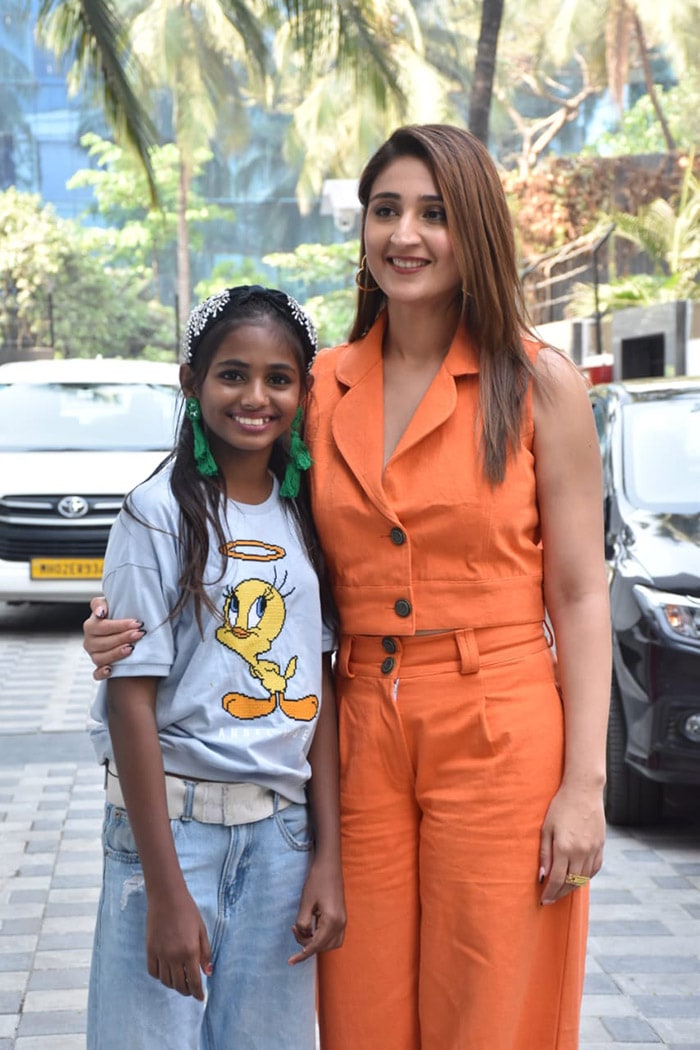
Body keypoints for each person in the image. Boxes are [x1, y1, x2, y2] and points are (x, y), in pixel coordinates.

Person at [83, 125, 610, 1050]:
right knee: (356, 1004)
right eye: (385, 210)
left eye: (435, 214)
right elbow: (226, 506)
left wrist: (585, 785)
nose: (405, 235)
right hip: (357, 722)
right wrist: (124, 617)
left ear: (475, 229)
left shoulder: (537, 383)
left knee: (488, 1007)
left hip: (498, 723)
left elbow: (578, 591)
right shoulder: (323, 385)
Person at [85, 285, 345, 1050]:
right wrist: (165, 892)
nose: (255, 397)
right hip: (172, 836)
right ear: (191, 381)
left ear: (303, 389)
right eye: (232, 374)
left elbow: (317, 687)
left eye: (279, 378)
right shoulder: (156, 512)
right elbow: (131, 703)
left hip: (282, 844)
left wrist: (327, 858)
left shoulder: (305, 511)